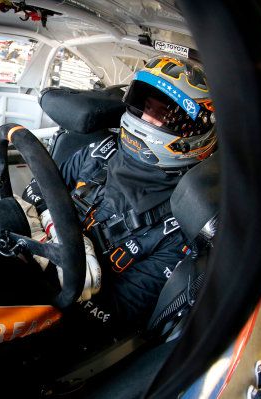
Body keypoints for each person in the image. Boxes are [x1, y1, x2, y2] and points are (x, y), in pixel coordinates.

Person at [22, 56, 217, 340]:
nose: (146, 119)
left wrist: (61, 282)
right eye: (146, 107)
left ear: (192, 132)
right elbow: (36, 193)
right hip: (22, 258)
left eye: (163, 115)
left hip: (58, 318)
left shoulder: (180, 225)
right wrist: (51, 231)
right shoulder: (101, 151)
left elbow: (116, 312)